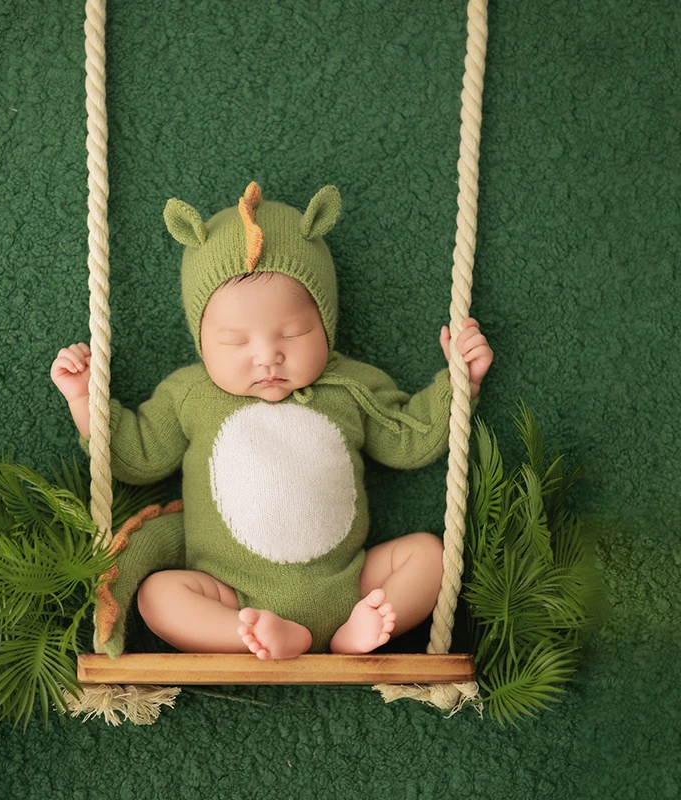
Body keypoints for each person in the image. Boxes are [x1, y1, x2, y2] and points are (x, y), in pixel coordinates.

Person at [51, 182, 493, 660]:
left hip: (348, 583)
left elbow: (409, 439)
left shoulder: (350, 384)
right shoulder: (190, 394)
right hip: (231, 593)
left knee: (431, 554)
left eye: (293, 332)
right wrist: (85, 399)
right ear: (201, 340)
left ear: (326, 321)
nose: (267, 357)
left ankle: (354, 633)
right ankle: (251, 635)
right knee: (158, 595)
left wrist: (458, 385)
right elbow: (135, 457)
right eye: (236, 342)